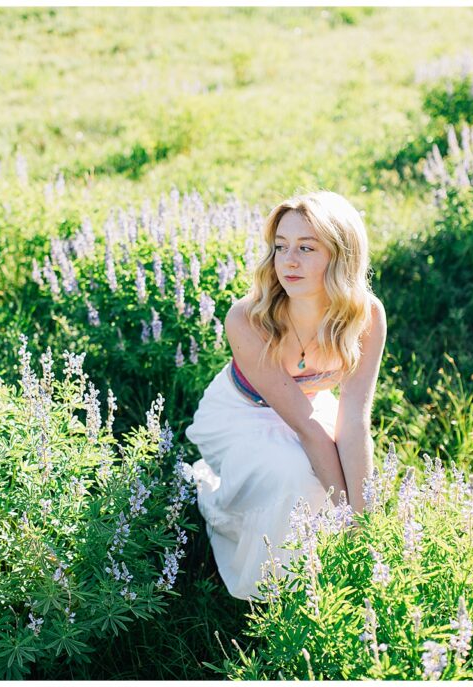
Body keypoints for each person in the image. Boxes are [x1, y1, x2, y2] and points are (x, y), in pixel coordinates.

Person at [185, 190, 386, 601]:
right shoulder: (247, 318)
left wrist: (365, 527)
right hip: (238, 412)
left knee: (336, 478)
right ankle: (272, 589)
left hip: (308, 406)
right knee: (295, 474)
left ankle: (325, 574)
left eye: (306, 248)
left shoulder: (366, 316)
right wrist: (343, 514)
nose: (288, 261)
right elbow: (308, 429)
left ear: (341, 255)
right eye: (281, 247)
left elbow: (353, 421)